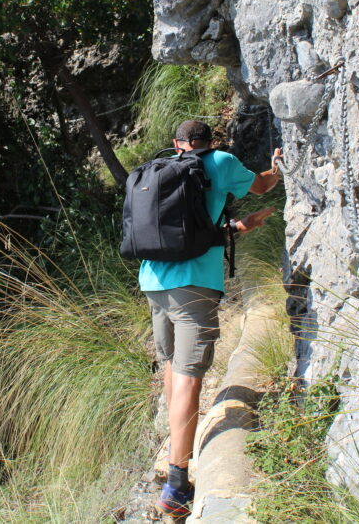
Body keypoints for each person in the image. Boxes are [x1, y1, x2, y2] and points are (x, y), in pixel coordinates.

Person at [142, 119, 283, 518]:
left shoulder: (159, 170)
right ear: (211, 141)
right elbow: (262, 185)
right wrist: (277, 168)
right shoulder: (220, 161)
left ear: (177, 143)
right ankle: (176, 480)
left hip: (152, 280)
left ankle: (172, 451)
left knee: (172, 366)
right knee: (190, 374)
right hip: (195, 284)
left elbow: (190, 228)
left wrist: (238, 226)